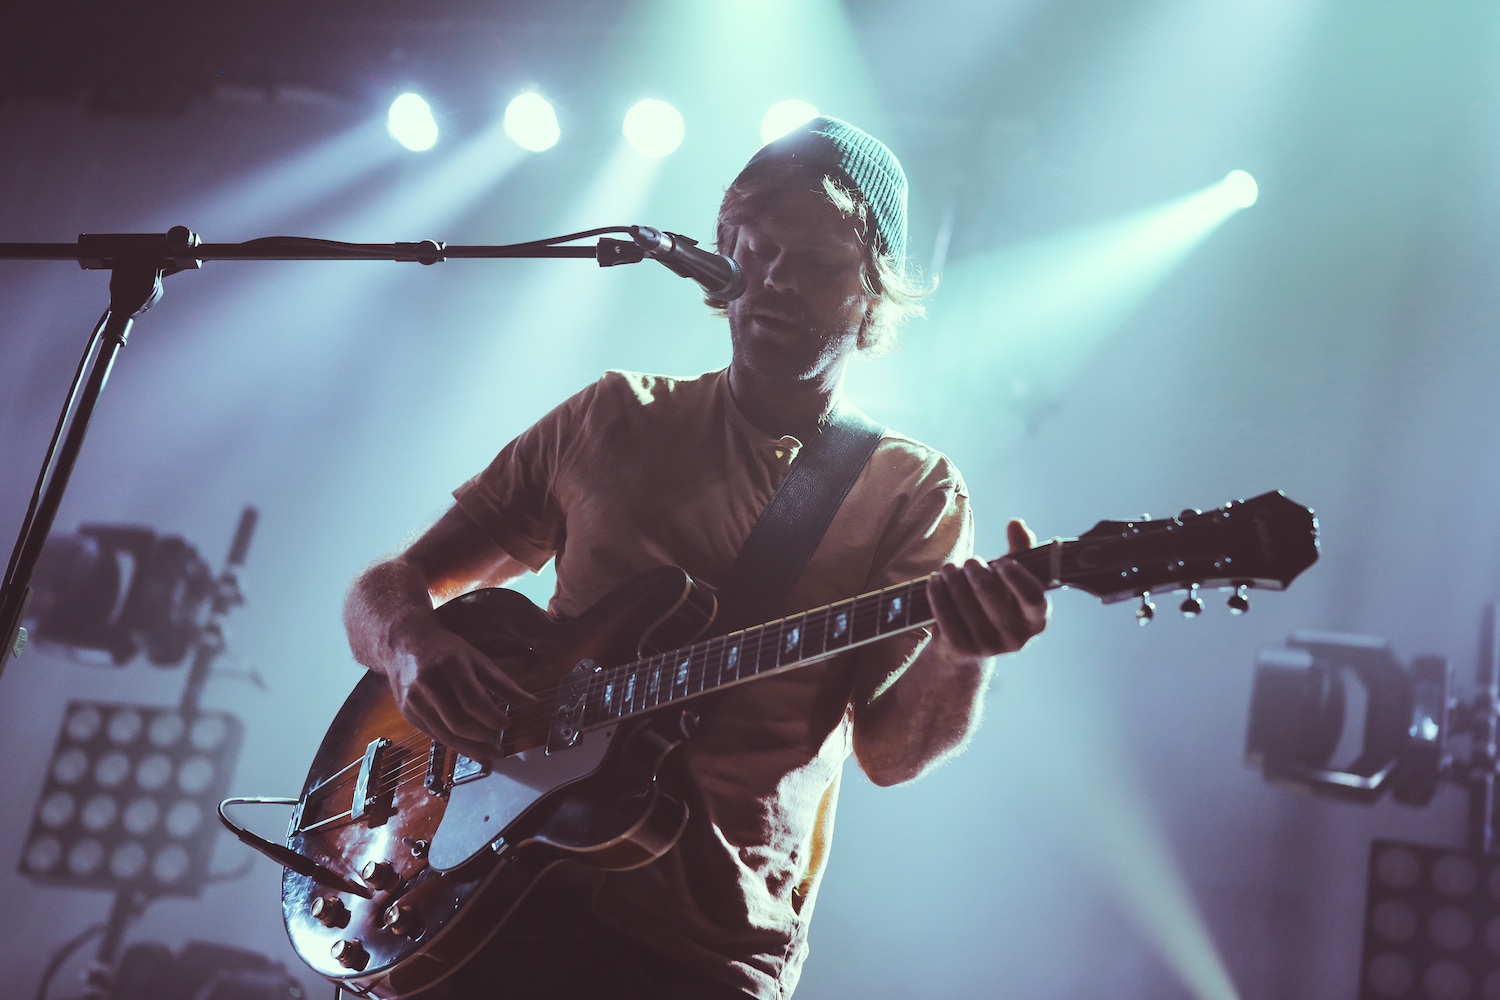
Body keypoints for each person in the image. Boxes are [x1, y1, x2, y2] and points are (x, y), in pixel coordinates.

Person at [343, 117, 1049, 1000]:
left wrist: (963, 653)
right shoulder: (612, 417)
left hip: (698, 951)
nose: (778, 281)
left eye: (820, 264)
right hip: (486, 890)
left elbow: (893, 753)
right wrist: (410, 641)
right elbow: (388, 587)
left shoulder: (911, 493)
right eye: (758, 251)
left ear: (873, 295)